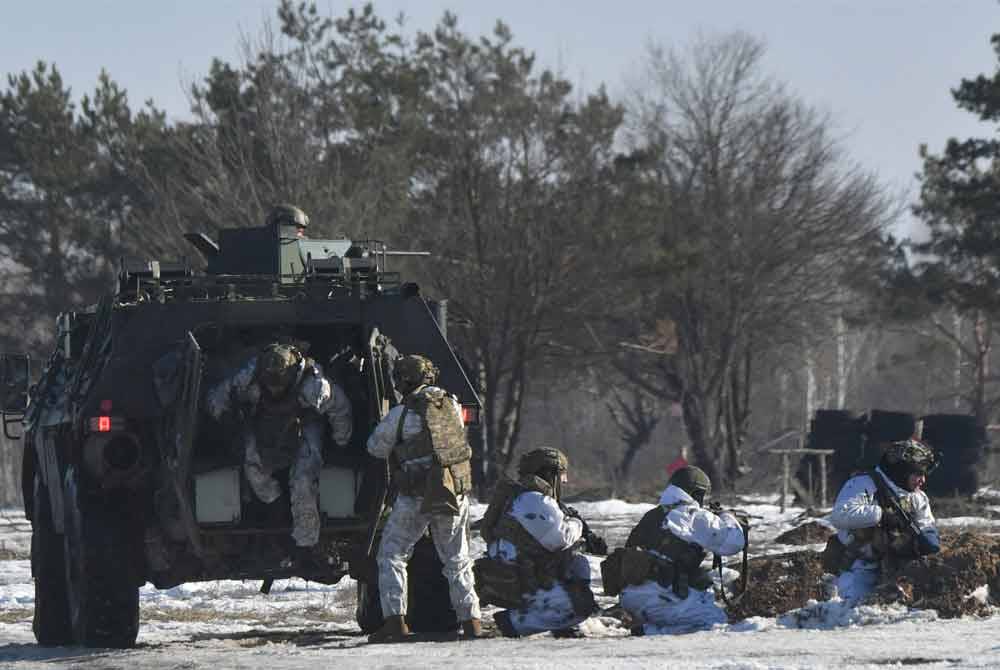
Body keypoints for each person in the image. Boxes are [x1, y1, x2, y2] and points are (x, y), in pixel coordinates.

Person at [365, 354, 481, 642]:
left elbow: (375, 448)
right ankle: (472, 622)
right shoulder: (451, 403)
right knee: (457, 559)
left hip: (417, 494)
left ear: (404, 380)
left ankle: (395, 622)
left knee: (392, 553)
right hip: (454, 491)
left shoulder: (401, 414)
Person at [205, 343, 352, 558]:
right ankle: (276, 507)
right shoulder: (249, 377)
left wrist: (341, 440)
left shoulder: (314, 386)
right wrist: (224, 417)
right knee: (254, 468)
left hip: (305, 425)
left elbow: (341, 409)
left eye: (279, 383)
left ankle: (305, 543)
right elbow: (217, 397)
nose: (274, 388)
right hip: (261, 425)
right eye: (270, 383)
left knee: (303, 480)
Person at [475, 447, 603, 638]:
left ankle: (560, 619)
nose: (564, 481)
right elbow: (559, 540)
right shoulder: (532, 499)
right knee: (580, 606)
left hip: (517, 574)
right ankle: (514, 623)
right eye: (562, 475)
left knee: (578, 563)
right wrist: (578, 524)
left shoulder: (523, 497)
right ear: (549, 473)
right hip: (516, 580)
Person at [612, 466, 745, 635]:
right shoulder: (691, 514)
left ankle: (648, 628)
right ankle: (650, 631)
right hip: (659, 599)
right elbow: (733, 543)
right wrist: (727, 517)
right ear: (696, 493)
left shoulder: (652, 515)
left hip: (630, 597)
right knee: (716, 621)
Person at [824, 438, 941, 603]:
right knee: (855, 611)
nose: (922, 480)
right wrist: (880, 515)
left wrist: (928, 537)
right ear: (902, 471)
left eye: (924, 475)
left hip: (899, 569)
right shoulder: (864, 484)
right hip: (860, 568)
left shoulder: (917, 497)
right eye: (917, 474)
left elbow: (926, 523)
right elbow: (839, 515)